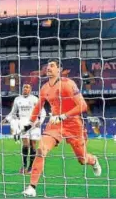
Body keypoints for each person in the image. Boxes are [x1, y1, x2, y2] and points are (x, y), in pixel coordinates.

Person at [22, 59, 102, 197]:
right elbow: (37, 107)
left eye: (52, 66)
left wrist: (63, 116)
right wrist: (30, 123)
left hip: (73, 125)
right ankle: (32, 187)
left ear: (59, 69)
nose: (48, 68)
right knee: (41, 149)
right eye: (48, 66)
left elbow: (82, 106)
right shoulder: (44, 88)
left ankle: (93, 160)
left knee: (82, 159)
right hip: (55, 124)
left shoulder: (68, 84)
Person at [3, 84, 46, 174]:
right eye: (24, 87)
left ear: (30, 90)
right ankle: (24, 165)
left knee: (33, 145)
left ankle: (31, 167)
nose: (25, 89)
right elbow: (13, 112)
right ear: (22, 89)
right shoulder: (17, 99)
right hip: (23, 123)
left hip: (34, 123)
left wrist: (40, 121)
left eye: (28, 87)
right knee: (25, 144)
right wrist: (6, 119)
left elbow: (43, 111)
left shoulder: (35, 99)